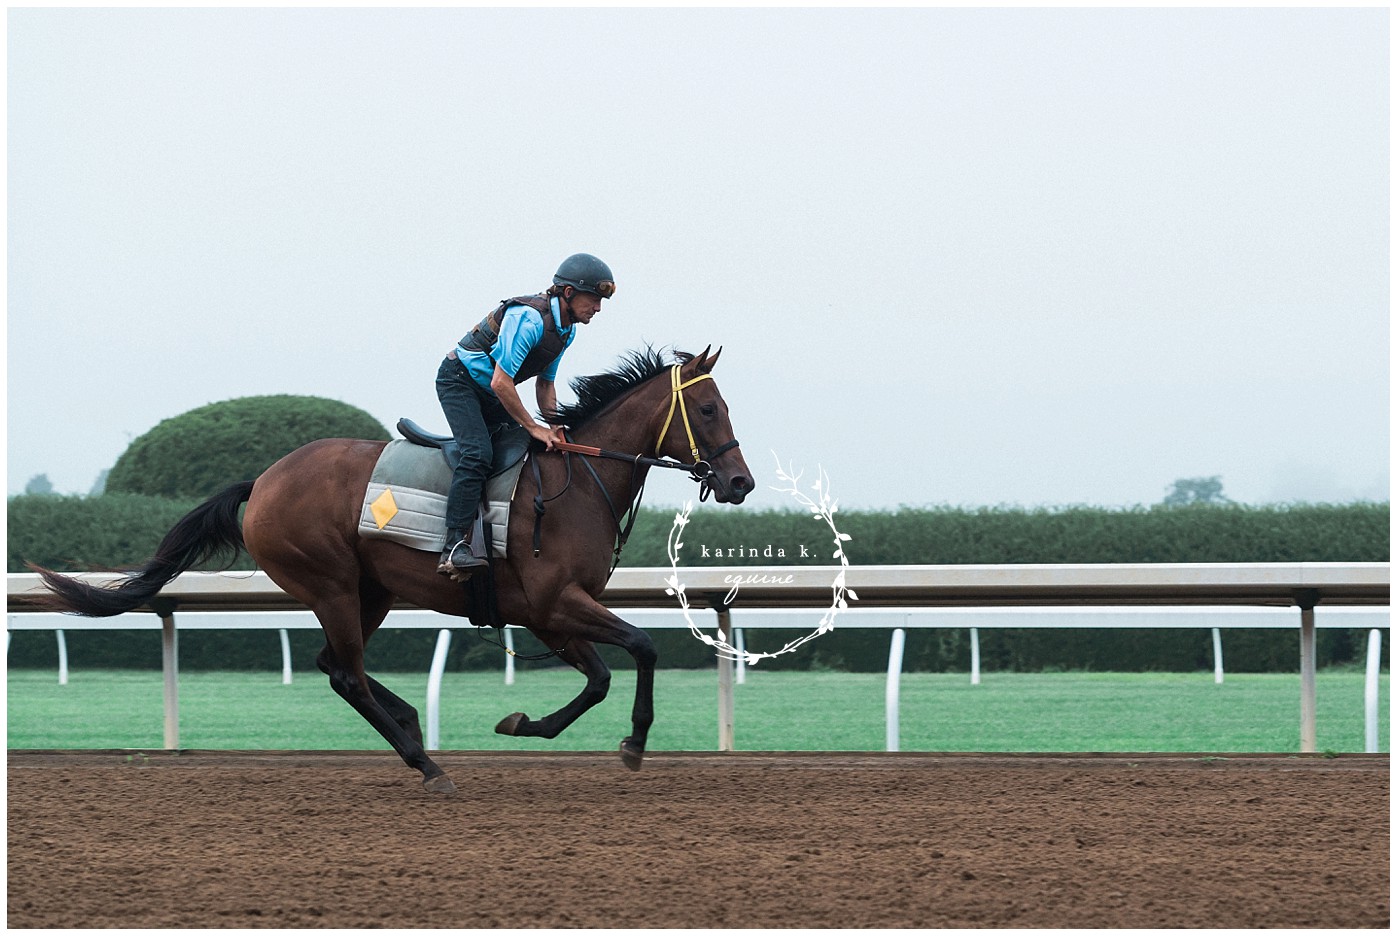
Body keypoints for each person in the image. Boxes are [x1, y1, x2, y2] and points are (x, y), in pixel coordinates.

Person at [435, 253, 615, 579]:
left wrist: (554, 426)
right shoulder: (529, 321)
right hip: (460, 382)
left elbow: (545, 386)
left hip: (490, 392)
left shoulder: (566, 332)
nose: (598, 308)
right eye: (594, 299)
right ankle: (452, 547)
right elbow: (501, 382)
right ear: (569, 293)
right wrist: (533, 426)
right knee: (477, 454)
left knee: (523, 454)